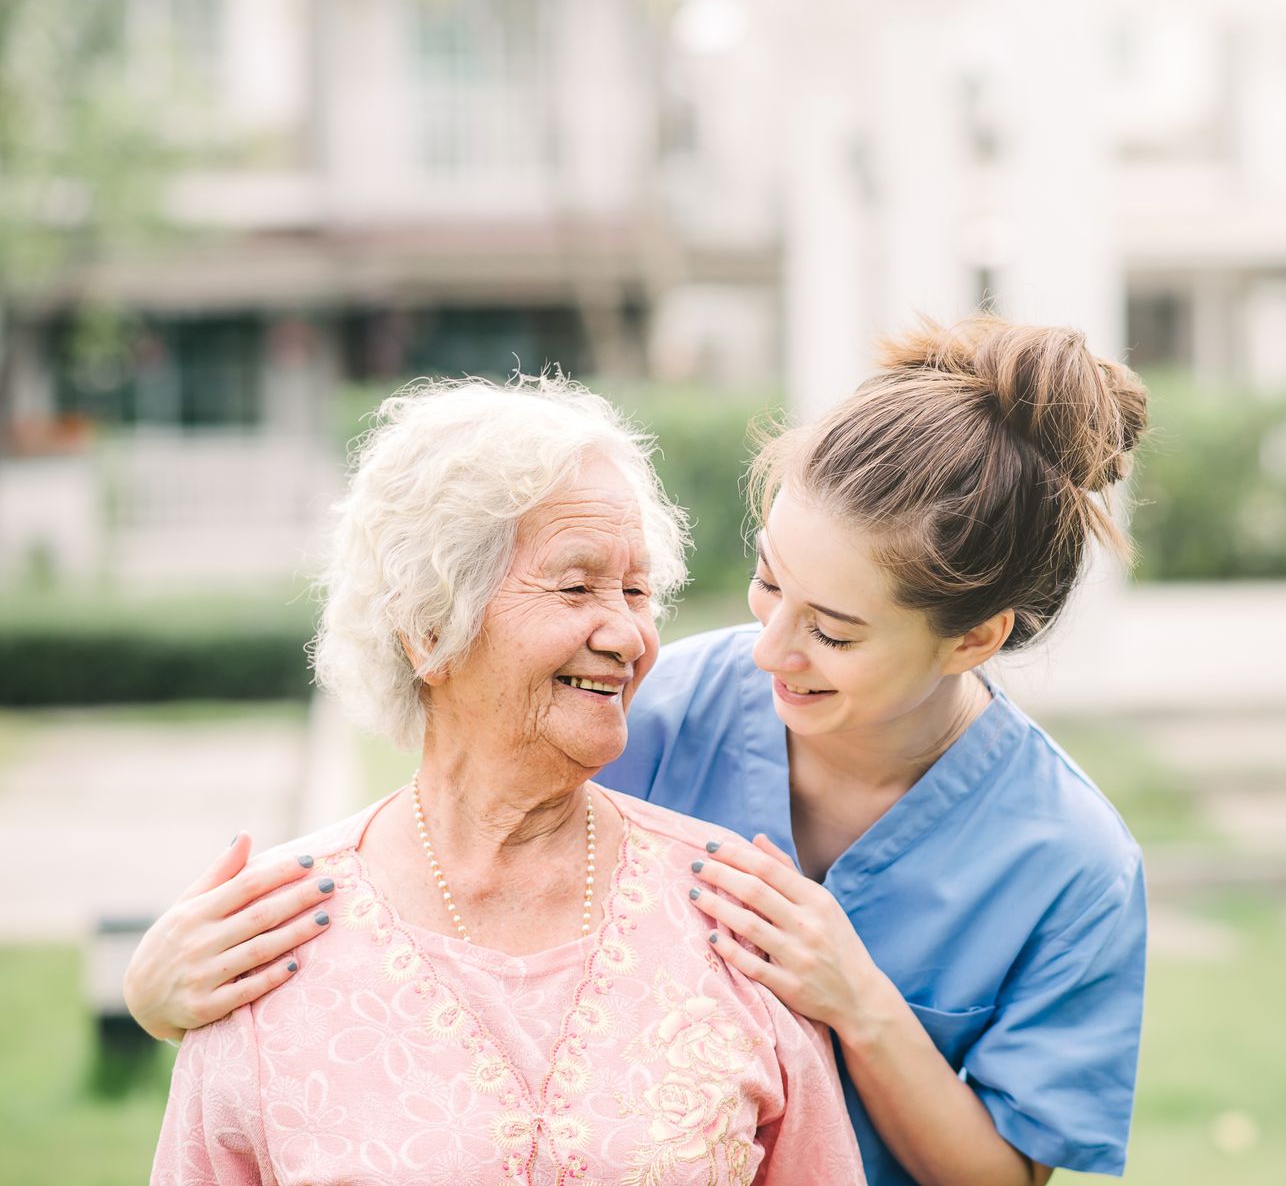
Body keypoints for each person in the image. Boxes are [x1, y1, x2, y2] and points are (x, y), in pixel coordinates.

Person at [132, 316, 1150, 1186]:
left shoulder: (1071, 865)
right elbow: (462, 808)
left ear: (974, 639)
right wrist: (167, 990)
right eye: (765, 582)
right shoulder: (657, 704)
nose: (769, 648)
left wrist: (858, 1001)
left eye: (831, 632)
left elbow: (1009, 1174)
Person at [150, 377, 864, 1186]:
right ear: (429, 628)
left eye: (637, 592)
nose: (628, 633)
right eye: (576, 586)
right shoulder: (269, 942)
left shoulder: (731, 910)